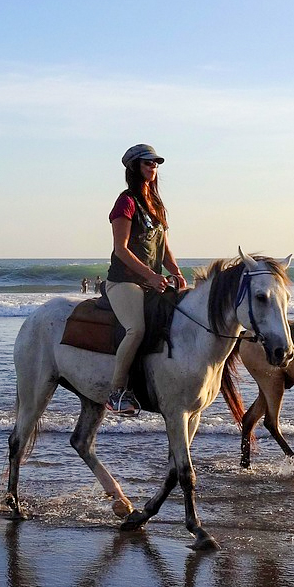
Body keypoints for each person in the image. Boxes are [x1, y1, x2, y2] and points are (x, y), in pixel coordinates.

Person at [103, 144, 187, 414]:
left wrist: (176, 272)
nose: (153, 167)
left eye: (156, 164)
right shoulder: (126, 202)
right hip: (124, 282)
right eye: (148, 163)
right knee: (136, 329)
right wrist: (150, 275)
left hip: (151, 281)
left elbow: (164, 248)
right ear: (135, 168)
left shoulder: (157, 205)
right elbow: (121, 249)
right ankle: (116, 392)